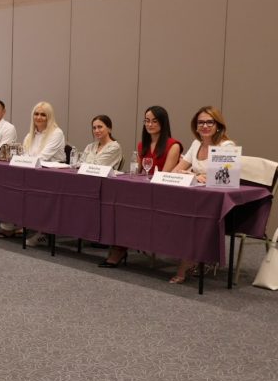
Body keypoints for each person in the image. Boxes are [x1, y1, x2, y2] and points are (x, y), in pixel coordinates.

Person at [100, 106, 183, 268]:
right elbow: (137, 172)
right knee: (117, 204)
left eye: (154, 121)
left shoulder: (173, 145)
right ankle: (118, 246)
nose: (149, 124)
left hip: (162, 193)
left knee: (129, 208)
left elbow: (164, 176)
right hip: (144, 190)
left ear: (163, 123)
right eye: (147, 121)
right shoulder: (142, 145)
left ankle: (120, 249)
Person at [170, 106, 237, 285]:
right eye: (201, 123)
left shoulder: (226, 146)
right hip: (195, 198)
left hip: (218, 203)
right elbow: (176, 171)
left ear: (218, 125)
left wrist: (193, 174)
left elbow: (223, 179)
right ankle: (194, 257)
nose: (205, 126)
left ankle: (187, 263)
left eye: (209, 122)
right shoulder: (196, 144)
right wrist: (193, 175)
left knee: (189, 218)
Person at [9, 102, 66, 245]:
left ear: (49, 117)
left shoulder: (57, 133)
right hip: (34, 173)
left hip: (52, 177)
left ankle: (43, 233)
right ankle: (18, 222)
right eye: (36, 114)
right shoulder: (30, 134)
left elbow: (43, 157)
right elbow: (23, 154)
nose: (39, 117)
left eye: (43, 115)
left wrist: (25, 160)